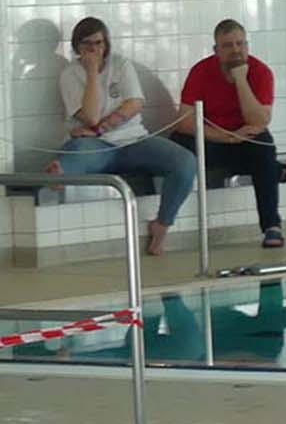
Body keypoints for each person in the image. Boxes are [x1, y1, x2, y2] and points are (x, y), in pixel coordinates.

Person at [46, 17, 199, 257]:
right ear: (77, 47)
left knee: (185, 162)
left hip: (133, 140)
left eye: (99, 43)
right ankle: (59, 174)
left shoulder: (121, 64)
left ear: (106, 44)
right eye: (87, 44)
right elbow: (90, 116)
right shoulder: (70, 75)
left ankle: (162, 224)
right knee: (75, 154)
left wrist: (100, 129)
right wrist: (92, 73)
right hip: (95, 146)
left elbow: (134, 104)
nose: (94, 50)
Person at [172, 19, 285, 248]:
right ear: (216, 50)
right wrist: (227, 137)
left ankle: (272, 226)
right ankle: (276, 169)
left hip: (244, 141)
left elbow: (259, 121)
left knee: (263, 146)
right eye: (228, 45)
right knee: (177, 142)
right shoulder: (201, 71)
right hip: (213, 139)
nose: (236, 50)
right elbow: (183, 122)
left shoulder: (261, 72)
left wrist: (241, 80)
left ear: (247, 45)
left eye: (240, 44)